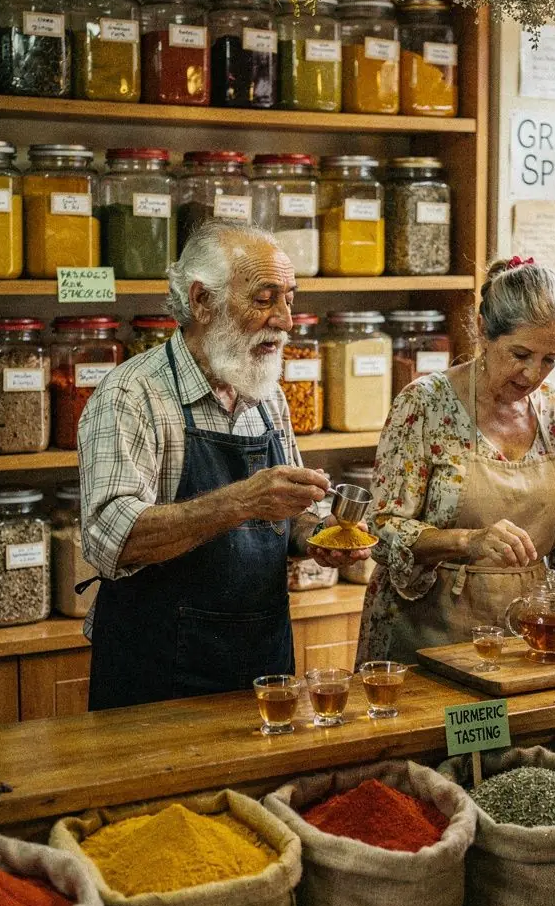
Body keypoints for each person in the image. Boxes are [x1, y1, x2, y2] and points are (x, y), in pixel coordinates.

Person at [77, 221, 366, 709]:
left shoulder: (267, 394)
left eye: (289, 298)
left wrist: (318, 536)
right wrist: (242, 501)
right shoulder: (132, 395)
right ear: (201, 301)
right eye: (264, 299)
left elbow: (287, 517)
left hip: (263, 667)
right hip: (158, 679)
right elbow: (112, 540)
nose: (285, 320)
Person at [357, 258, 555, 665]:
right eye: (520, 354)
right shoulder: (424, 404)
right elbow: (382, 527)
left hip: (526, 636)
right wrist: (468, 541)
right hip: (426, 630)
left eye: (550, 359)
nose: (532, 374)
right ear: (482, 330)